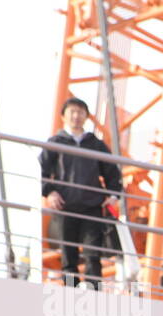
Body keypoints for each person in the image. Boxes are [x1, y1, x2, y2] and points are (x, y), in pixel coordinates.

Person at [39, 97, 123, 289]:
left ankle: (94, 291)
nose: (76, 116)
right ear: (64, 116)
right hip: (65, 206)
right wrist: (49, 192)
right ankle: (70, 290)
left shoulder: (95, 144)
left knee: (93, 253)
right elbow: (40, 170)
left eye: (81, 112)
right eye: (72, 112)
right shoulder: (55, 142)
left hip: (92, 205)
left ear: (86, 117)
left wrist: (113, 195)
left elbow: (112, 172)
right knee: (68, 253)